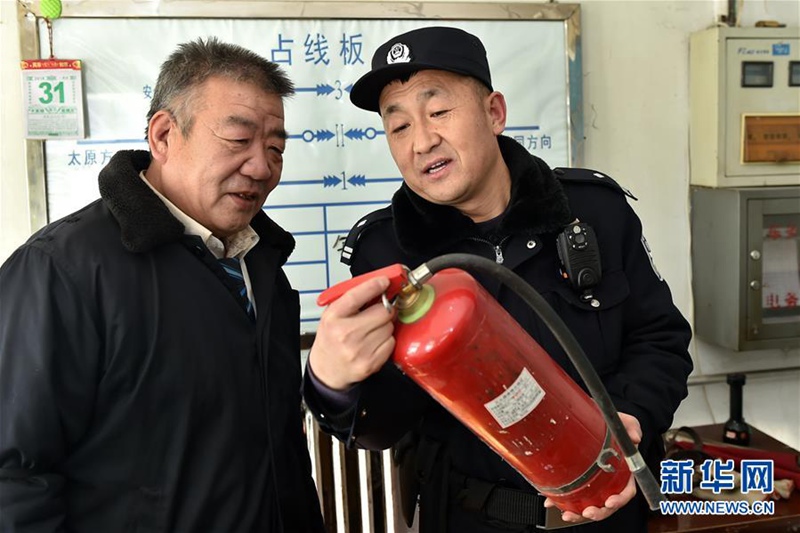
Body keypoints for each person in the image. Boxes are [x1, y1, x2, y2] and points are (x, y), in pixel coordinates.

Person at [303, 26, 693, 532]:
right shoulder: (384, 254)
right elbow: (382, 423)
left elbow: (660, 340)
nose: (422, 141)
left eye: (438, 112)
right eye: (398, 127)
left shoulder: (594, 212)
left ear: (494, 113)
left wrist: (628, 417)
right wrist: (333, 385)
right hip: (471, 516)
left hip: (611, 509)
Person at [0, 37, 325, 532]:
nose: (262, 167)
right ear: (164, 134)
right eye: (238, 141)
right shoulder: (61, 270)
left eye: (275, 148)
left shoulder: (260, 264)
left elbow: (278, 445)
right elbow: (13, 474)